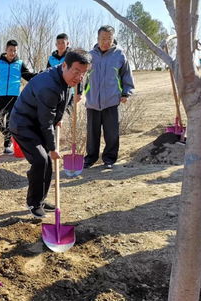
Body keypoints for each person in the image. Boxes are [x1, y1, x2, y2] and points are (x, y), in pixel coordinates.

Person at [9, 49, 91, 218]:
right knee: (41, 160)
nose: (80, 77)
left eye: (84, 73)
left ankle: (40, 199)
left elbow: (61, 102)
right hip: (23, 124)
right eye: (76, 72)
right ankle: (33, 203)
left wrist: (58, 118)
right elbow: (46, 121)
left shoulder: (67, 79)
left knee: (45, 162)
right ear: (65, 66)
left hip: (39, 122)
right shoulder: (48, 85)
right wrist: (53, 148)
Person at [83, 25, 135, 170]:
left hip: (112, 101)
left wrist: (126, 92)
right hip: (92, 101)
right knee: (92, 134)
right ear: (98, 38)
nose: (106, 42)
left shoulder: (119, 55)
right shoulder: (90, 55)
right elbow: (82, 76)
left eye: (109, 39)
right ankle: (90, 158)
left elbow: (126, 74)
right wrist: (79, 92)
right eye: (103, 39)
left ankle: (109, 159)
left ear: (113, 39)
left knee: (111, 133)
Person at [0, 39, 36, 154]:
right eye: (10, 50)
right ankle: (8, 136)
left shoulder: (20, 63)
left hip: (14, 97)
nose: (12, 53)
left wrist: (39, 75)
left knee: (10, 122)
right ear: (6, 50)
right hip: (0, 96)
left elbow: (28, 76)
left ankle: (7, 146)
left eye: (15, 51)